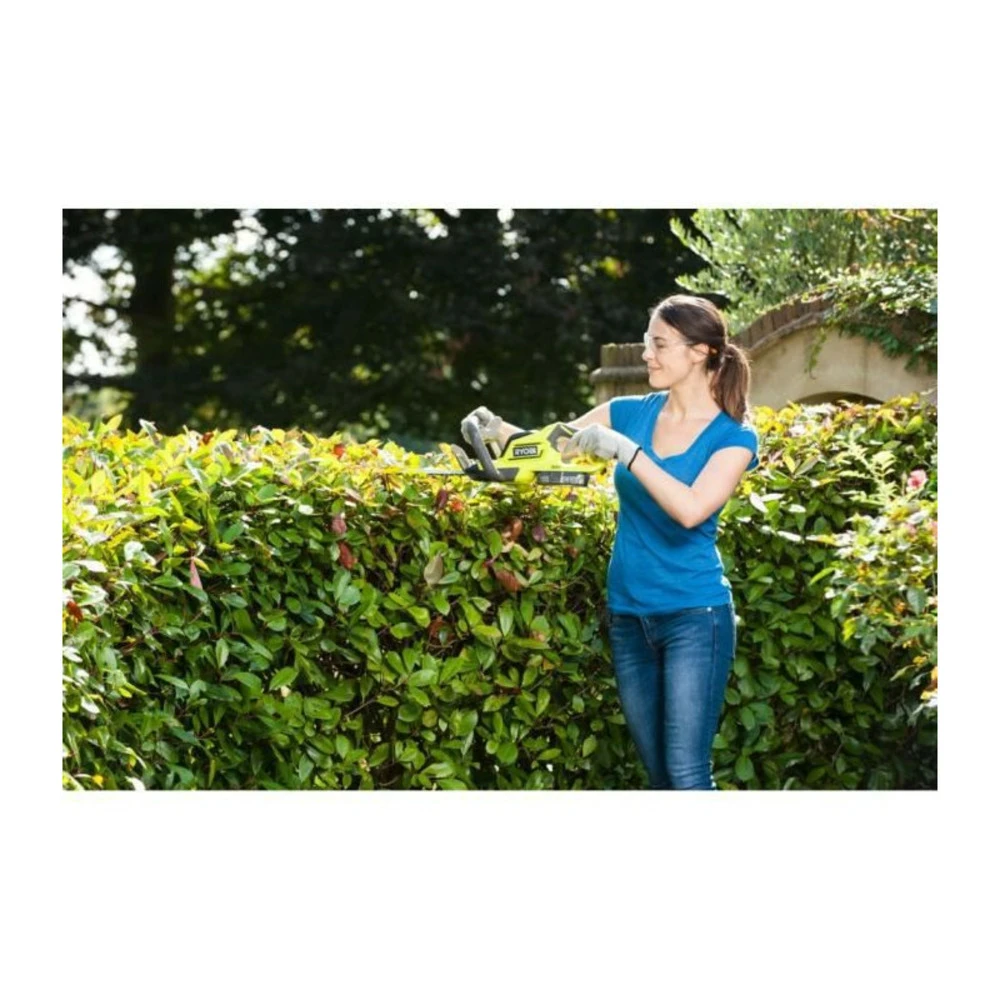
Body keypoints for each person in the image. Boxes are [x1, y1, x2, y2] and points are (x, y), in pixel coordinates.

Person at [463, 294, 759, 790]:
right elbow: (550, 447)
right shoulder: (627, 411)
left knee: (687, 774)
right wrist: (496, 431)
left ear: (700, 352)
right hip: (629, 617)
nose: (647, 355)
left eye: (659, 344)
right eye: (647, 342)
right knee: (660, 775)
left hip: (695, 617)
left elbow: (690, 509)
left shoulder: (734, 437)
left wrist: (627, 451)